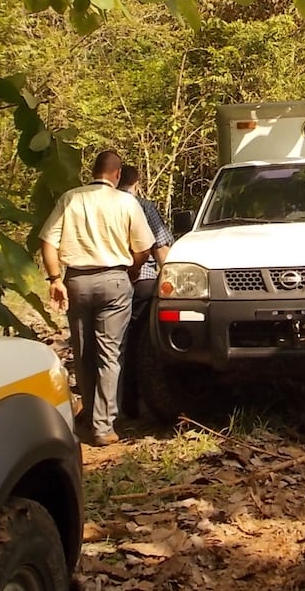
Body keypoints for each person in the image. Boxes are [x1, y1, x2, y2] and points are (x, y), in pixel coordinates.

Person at [39, 151, 154, 446]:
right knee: (110, 353)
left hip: (77, 279)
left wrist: (54, 278)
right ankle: (103, 426)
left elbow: (47, 240)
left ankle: (89, 416)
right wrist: (134, 267)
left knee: (83, 351)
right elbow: (142, 248)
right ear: (117, 175)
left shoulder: (71, 198)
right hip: (115, 278)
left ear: (93, 170)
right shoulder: (126, 202)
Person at [117, 164, 174, 418]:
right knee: (139, 343)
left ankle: (112, 404)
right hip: (143, 280)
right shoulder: (143, 206)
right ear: (136, 182)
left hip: (109, 278)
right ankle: (132, 402)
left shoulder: (102, 204)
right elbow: (160, 247)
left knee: (110, 343)